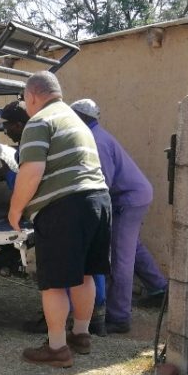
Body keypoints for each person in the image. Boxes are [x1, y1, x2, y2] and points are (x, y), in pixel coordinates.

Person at [7, 71, 111, 368]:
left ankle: (57, 349)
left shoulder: (40, 121)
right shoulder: (76, 121)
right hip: (98, 201)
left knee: (53, 283)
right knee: (86, 274)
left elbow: (31, 171)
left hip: (65, 208)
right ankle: (81, 335)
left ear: (32, 96)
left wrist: (15, 211)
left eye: (25, 100)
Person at [70, 99, 168, 333]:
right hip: (134, 195)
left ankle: (119, 317)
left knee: (121, 259)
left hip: (127, 200)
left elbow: (102, 182)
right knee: (132, 246)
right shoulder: (98, 135)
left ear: (81, 118)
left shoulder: (94, 141)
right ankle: (160, 289)